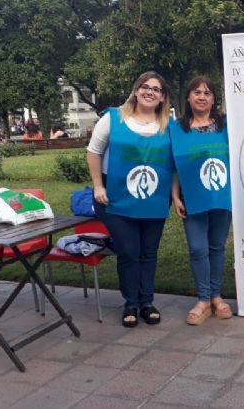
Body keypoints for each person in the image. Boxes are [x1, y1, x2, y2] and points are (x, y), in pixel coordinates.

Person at [86, 71, 174, 328]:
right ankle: (130, 303)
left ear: (162, 97)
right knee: (128, 251)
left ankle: (146, 302)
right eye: (145, 87)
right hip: (115, 201)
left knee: (149, 252)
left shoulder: (168, 124)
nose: (150, 92)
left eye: (156, 89)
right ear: (136, 91)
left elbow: (178, 162)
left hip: (154, 200)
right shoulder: (113, 118)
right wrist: (97, 186)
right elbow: (93, 152)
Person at [170, 76, 233, 326]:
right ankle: (203, 299)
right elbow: (174, 165)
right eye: (196, 92)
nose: (202, 97)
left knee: (217, 246)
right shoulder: (177, 128)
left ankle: (216, 297)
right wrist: (175, 196)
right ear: (188, 97)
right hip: (192, 197)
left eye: (207, 93)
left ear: (214, 99)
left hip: (221, 196)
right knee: (198, 248)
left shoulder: (226, 125)